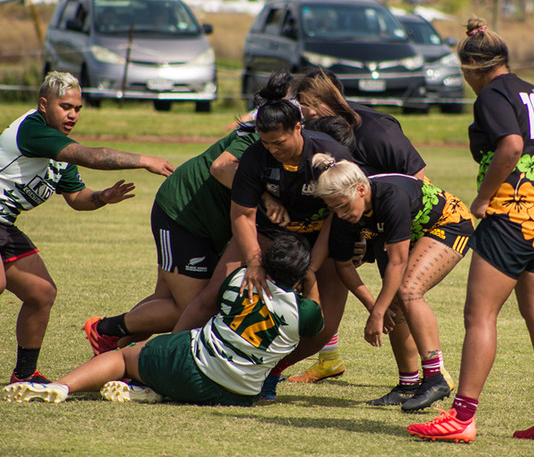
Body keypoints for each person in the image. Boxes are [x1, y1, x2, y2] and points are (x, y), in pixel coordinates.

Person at [0, 71, 174, 384]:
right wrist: (143, 160)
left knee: (42, 292)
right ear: (44, 104)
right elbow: (91, 155)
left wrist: (102, 197)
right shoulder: (33, 128)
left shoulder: (59, 150)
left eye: (77, 109)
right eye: (65, 107)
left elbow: (76, 197)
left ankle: (24, 373)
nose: (72, 114)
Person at [407, 17, 534, 443]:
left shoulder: (492, 94)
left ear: (475, 65)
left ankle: (461, 418)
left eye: (465, 71)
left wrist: (484, 197)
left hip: (512, 216)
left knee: (479, 315)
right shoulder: (532, 92)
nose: (465, 80)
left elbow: (512, 145)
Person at [169, 74, 357, 402]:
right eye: (266, 143)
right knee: (211, 296)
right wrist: (255, 262)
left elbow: (338, 214)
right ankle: (170, 360)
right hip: (270, 233)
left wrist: (310, 267)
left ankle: (270, 373)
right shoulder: (257, 156)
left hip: (325, 238)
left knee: (321, 326)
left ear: (299, 127)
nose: (272, 150)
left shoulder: (329, 156)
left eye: (279, 143)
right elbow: (242, 215)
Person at [3, 233, 323, 406]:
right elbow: (316, 312)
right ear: (299, 276)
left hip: (192, 364)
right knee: (169, 373)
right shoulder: (303, 313)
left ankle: (62, 387)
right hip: (238, 394)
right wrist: (310, 279)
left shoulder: (239, 279)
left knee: (123, 356)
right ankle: (146, 390)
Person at [286, 69, 428, 383]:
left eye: (308, 104)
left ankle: (426, 377)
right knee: (323, 276)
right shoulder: (313, 133)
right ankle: (331, 358)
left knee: (401, 296)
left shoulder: (377, 131)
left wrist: (386, 231)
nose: (304, 112)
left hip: (396, 216)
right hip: (354, 220)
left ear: (328, 100)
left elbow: (417, 179)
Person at [310, 153, 474, 411]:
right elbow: (343, 265)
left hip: (449, 224)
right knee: (394, 304)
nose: (340, 214)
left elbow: (397, 262)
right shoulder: (344, 214)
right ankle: (407, 385)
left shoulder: (390, 197)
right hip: (400, 235)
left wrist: (377, 313)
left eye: (343, 205)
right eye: (334, 208)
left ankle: (435, 378)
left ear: (361, 189)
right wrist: (374, 306)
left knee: (408, 291)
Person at [82, 125, 258, 355]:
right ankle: (104, 329)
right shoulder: (269, 131)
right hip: (184, 215)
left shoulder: (285, 131)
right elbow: (221, 168)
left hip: (203, 220)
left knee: (165, 299)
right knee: (193, 308)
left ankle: (112, 349)